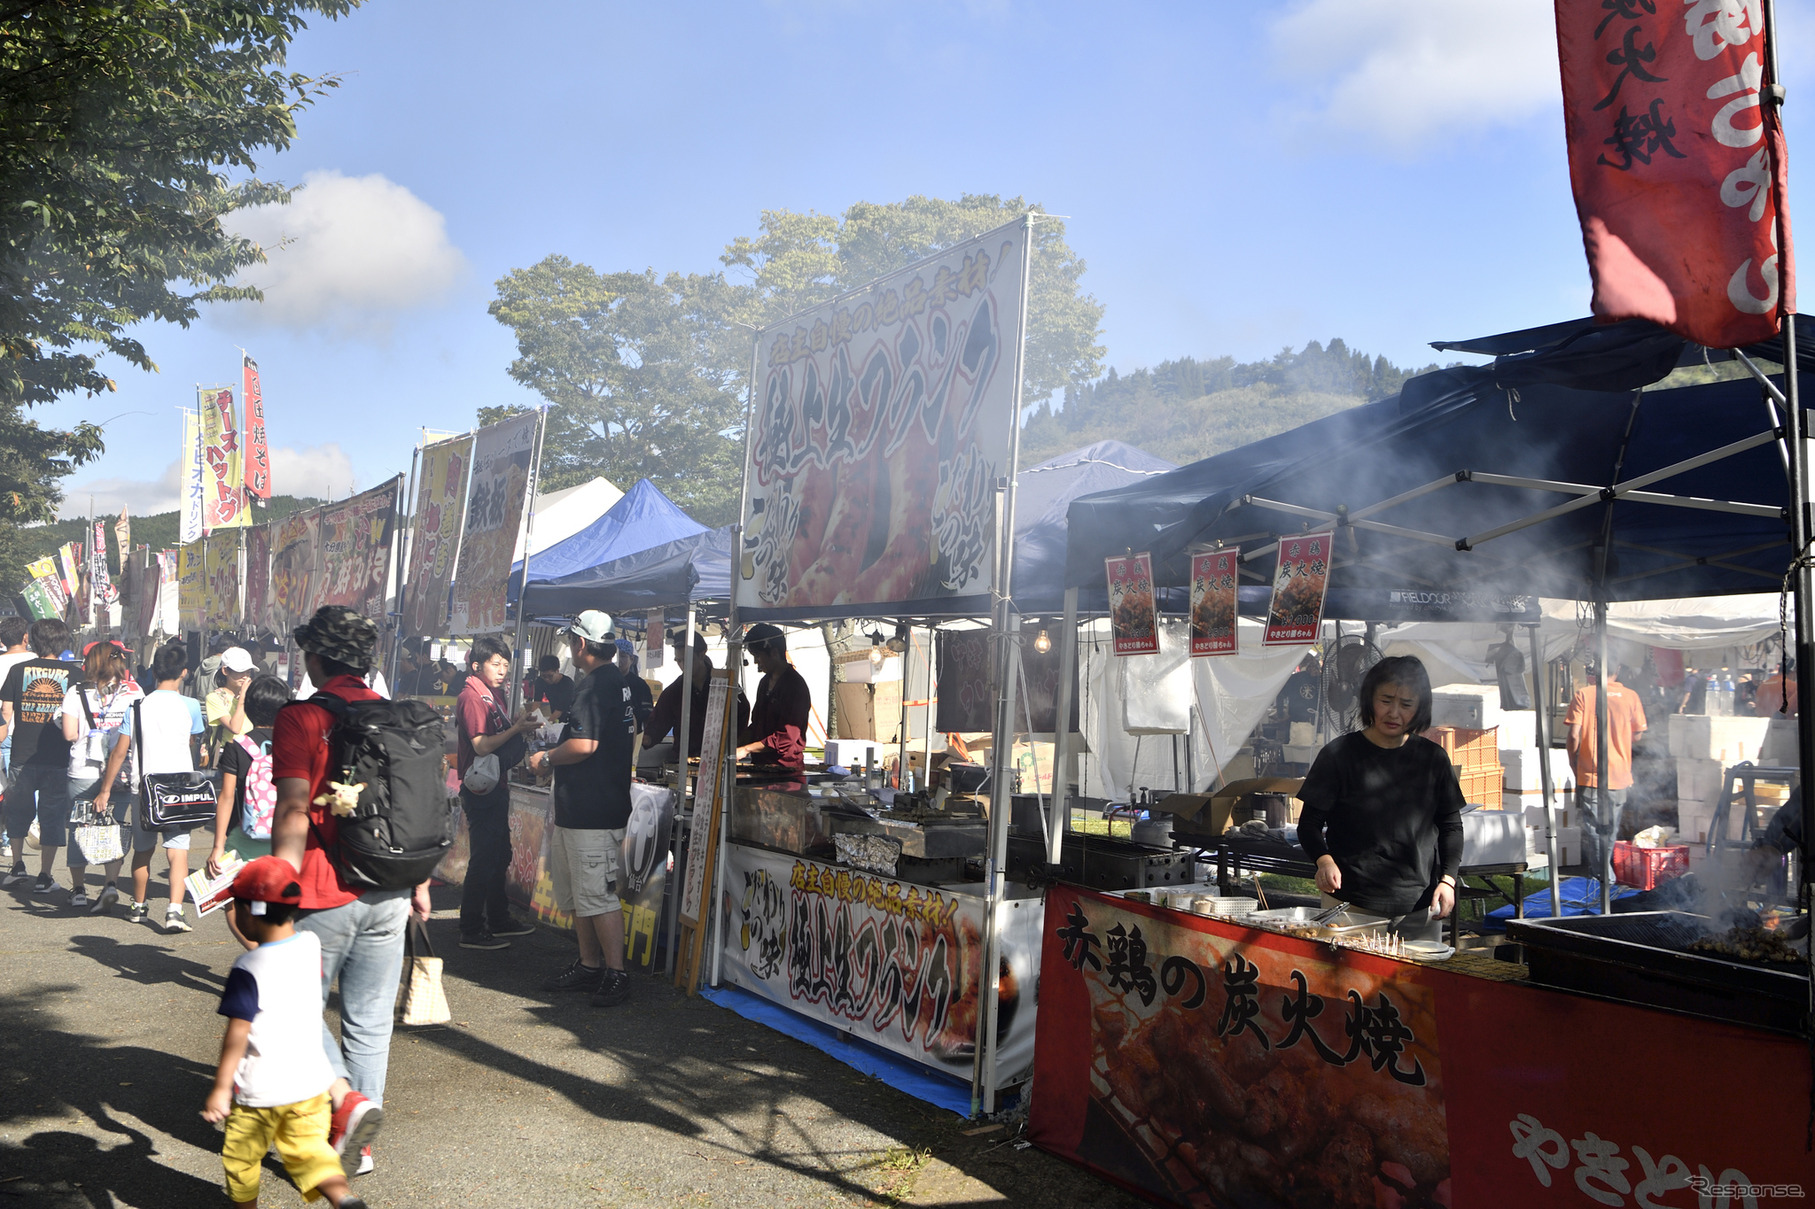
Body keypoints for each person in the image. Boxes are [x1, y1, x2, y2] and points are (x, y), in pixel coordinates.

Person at [271, 605, 424, 1178]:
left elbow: (291, 807)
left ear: (315, 657)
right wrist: (419, 882)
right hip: (390, 887)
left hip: (320, 887)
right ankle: (355, 1148)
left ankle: (324, 1119)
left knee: (289, 1013)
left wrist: (277, 886)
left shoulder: (302, 717)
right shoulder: (395, 715)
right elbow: (411, 804)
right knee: (369, 1023)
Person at [202, 856, 370, 1209]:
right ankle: (344, 1199)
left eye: (236, 907)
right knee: (311, 1151)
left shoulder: (247, 969)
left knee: (242, 1159)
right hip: (310, 1084)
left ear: (251, 911)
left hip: (261, 1090)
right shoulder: (310, 944)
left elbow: (237, 1034)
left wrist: (220, 1088)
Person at [1297, 655, 1464, 941]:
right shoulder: (1339, 755)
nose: (1394, 713)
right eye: (1385, 700)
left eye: (1406, 704)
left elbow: (1451, 825)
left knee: (1416, 985)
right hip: (1351, 901)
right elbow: (1309, 823)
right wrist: (1324, 861)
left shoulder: (1433, 759)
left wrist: (1448, 880)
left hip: (1420, 905)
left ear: (1420, 708)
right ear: (1369, 700)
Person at [525, 610, 635, 1008]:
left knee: (598, 896)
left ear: (582, 644)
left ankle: (615, 973)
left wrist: (547, 758)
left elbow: (584, 745)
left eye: (572, 640)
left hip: (593, 812)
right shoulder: (614, 682)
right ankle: (590, 965)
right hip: (585, 809)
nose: (570, 647)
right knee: (579, 895)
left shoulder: (594, 687)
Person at [92, 639, 205, 930]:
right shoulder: (191, 705)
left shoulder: (137, 707)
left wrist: (105, 790)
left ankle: (138, 906)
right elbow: (194, 739)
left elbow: (120, 752)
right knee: (177, 851)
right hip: (180, 789)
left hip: (144, 789)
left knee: (143, 851)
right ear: (184, 672)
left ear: (154, 671)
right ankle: (174, 911)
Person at [454, 636, 539, 950]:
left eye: (505, 664)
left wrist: (516, 724)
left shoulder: (492, 695)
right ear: (477, 666)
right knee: (485, 858)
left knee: (499, 854)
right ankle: (472, 927)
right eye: (495, 663)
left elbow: (494, 737)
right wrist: (516, 730)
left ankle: (499, 920)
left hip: (494, 784)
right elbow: (481, 745)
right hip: (481, 789)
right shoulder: (472, 697)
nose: (502, 669)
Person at [206, 675, 293, 950]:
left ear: (250, 707)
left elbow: (227, 797)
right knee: (281, 904)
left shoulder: (238, 746)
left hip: (242, 840)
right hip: (285, 840)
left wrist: (218, 847)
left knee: (231, 902)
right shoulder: (294, 745)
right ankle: (277, 956)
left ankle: (259, 954)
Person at [0, 619, 82, 896]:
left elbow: (6, 712)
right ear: (63, 642)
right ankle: (45, 874)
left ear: (32, 640)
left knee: (17, 810)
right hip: (59, 756)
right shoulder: (75, 674)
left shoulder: (18, 670)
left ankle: (18, 864)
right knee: (53, 815)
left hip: (21, 753)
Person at [62, 640, 143, 912]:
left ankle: (79, 890)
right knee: (113, 826)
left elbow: (69, 733)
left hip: (83, 770)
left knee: (79, 828)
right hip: (120, 771)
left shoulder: (76, 691)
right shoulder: (134, 692)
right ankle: (110, 884)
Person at [1566, 662, 1648, 874]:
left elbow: (1574, 735)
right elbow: (1638, 735)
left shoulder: (1584, 694)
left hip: (1588, 772)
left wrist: (1572, 761)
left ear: (1595, 670)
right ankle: (1604, 874)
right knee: (1610, 828)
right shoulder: (1631, 696)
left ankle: (1602, 874)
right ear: (1618, 669)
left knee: (1593, 827)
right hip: (1619, 773)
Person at [639, 632, 750, 770]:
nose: (682, 665)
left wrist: (734, 743)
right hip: (686, 763)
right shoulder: (674, 691)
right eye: (678, 661)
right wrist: (643, 738)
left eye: (686, 659)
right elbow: (659, 722)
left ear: (702, 654)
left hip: (719, 763)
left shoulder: (723, 684)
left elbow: (743, 710)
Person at [736, 623, 810, 769]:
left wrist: (746, 749)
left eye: (757, 656)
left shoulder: (795, 686)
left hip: (786, 773)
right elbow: (757, 725)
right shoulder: (764, 683)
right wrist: (735, 743)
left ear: (774, 653)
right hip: (760, 767)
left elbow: (786, 737)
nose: (756, 662)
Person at [0, 615, 32, 865]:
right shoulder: (36, 662)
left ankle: (9, 837)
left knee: (8, 786)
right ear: (25, 637)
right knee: (32, 781)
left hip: (5, 731)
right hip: (33, 732)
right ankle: (33, 826)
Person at [204, 646, 258, 765]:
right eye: (240, 671)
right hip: (227, 753)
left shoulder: (253, 696)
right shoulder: (215, 697)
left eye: (248, 672)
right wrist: (243, 697)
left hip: (252, 751)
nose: (245, 676)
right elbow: (235, 728)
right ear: (225, 671)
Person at [525, 654, 576, 721]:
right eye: (544, 676)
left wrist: (547, 724)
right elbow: (537, 703)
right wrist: (532, 718)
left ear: (557, 671)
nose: (547, 679)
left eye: (550, 676)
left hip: (570, 717)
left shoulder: (567, 684)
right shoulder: (540, 681)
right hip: (554, 714)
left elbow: (559, 711)